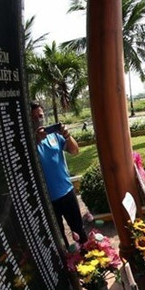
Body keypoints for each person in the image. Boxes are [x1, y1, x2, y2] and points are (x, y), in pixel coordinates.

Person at [31, 102, 87, 245]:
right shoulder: (27, 143)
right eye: (34, 117)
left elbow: (74, 151)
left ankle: (88, 256)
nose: (38, 120)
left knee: (80, 232)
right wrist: (35, 140)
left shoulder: (54, 135)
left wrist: (67, 136)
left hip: (67, 192)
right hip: (46, 201)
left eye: (40, 116)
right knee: (59, 240)